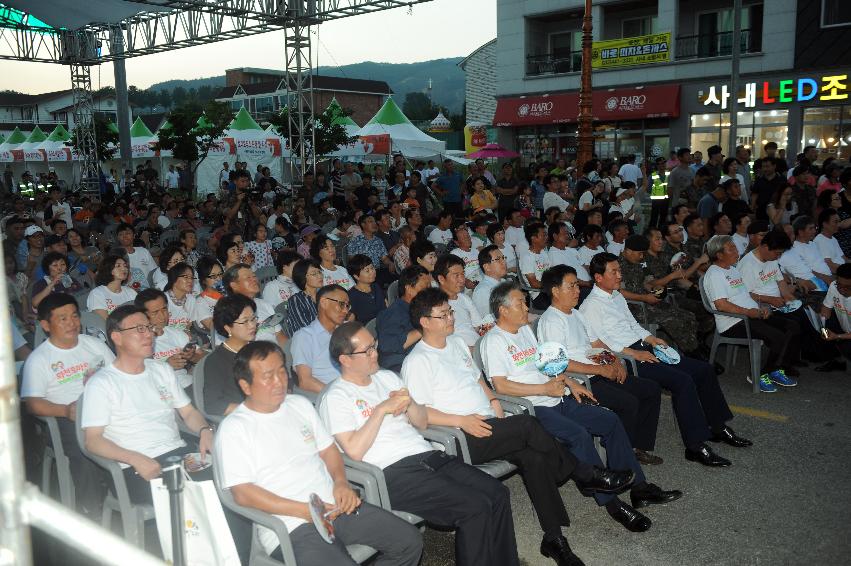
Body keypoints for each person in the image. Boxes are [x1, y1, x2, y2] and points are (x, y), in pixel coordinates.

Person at [404, 288, 632, 566]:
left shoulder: (455, 344)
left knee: (534, 458)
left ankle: (553, 538)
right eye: (444, 315)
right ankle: (584, 472)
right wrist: (460, 420)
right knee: (528, 424)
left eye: (451, 312)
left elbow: (478, 381)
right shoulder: (417, 361)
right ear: (425, 322)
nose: (452, 318)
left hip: (491, 424)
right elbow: (419, 415)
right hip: (461, 437)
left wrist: (492, 401)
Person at [481, 281, 681, 533]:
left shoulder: (524, 331)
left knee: (610, 421)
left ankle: (638, 487)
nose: (526, 306)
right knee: (578, 434)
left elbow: (547, 364)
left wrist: (571, 382)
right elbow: (500, 386)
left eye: (524, 300)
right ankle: (613, 504)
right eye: (520, 302)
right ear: (503, 310)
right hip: (532, 410)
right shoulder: (493, 341)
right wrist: (543, 389)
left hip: (558, 397)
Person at [319, 321, 520, 566]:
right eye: (368, 350)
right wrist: (381, 410)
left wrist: (410, 403)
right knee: (474, 507)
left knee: (498, 493)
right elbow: (354, 451)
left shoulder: (387, 378)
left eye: (374, 345)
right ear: (345, 360)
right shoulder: (336, 397)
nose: (376, 353)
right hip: (391, 473)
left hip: (426, 456)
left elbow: (422, 423)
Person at [215, 340, 422, 565]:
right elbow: (242, 493)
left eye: (282, 371)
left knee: (408, 540)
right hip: (291, 525)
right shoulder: (235, 428)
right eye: (268, 376)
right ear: (246, 386)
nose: (279, 382)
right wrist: (305, 511)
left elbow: (329, 450)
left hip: (336, 506)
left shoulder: (299, 405)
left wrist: (341, 483)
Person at [580, 253, 749, 465]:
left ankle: (717, 426)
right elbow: (600, 344)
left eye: (619, 270)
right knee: (682, 381)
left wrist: (652, 339)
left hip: (642, 347)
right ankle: (695, 446)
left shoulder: (616, 295)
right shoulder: (591, 306)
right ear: (598, 277)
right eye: (613, 272)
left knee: (703, 370)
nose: (619, 275)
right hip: (627, 357)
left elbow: (633, 325)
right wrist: (634, 353)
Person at [81, 305, 216, 505]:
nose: (149, 335)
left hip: (177, 454)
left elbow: (188, 413)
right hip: (135, 466)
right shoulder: (102, 383)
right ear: (117, 337)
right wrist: (134, 458)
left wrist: (205, 430)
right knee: (201, 500)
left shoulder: (160, 370)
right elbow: (92, 440)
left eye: (149, 328)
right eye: (139, 329)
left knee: (231, 479)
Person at [539, 263, 665, 467]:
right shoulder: (552, 321)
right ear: (555, 290)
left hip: (598, 371)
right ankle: (622, 456)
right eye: (571, 286)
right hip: (583, 379)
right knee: (628, 402)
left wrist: (616, 361)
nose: (577, 290)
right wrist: (600, 369)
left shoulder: (576, 314)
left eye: (577, 286)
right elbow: (558, 363)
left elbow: (597, 343)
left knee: (650, 389)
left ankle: (637, 447)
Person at [22, 294, 114, 516]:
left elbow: (116, 374)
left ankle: (125, 491)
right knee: (86, 444)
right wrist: (65, 410)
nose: (72, 322)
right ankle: (91, 508)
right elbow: (33, 404)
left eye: (74, 315)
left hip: (105, 409)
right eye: (62, 318)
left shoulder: (94, 345)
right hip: (66, 418)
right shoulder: (39, 359)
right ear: (45, 325)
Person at [705, 235, 804, 392]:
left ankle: (775, 368)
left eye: (735, 247)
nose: (737, 251)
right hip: (733, 322)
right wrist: (749, 312)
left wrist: (760, 308)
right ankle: (758, 374)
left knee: (793, 327)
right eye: (731, 249)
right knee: (777, 336)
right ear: (719, 255)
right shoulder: (714, 274)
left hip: (751, 315)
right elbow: (721, 305)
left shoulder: (732, 270)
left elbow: (745, 295)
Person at [616, 235, 702, 356]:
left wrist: (655, 290)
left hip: (648, 301)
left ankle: (694, 348)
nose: (642, 257)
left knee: (688, 316)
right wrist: (645, 298)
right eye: (640, 253)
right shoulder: (617, 266)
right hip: (634, 307)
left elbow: (645, 283)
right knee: (674, 320)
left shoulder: (637, 262)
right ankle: (692, 353)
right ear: (628, 251)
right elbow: (620, 292)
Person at [135, 288, 203, 392]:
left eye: (164, 309)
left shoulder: (175, 333)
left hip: (188, 385)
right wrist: (166, 366)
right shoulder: (136, 342)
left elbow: (204, 357)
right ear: (142, 315)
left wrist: (193, 356)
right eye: (155, 313)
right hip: (162, 392)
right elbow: (138, 377)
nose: (162, 316)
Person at [204, 295, 258, 416]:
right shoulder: (216, 361)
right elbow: (212, 404)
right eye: (245, 321)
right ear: (228, 328)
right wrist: (253, 410)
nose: (252, 325)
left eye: (253, 319)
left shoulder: (259, 349)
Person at [291, 285, 350, 393]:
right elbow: (305, 381)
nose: (345, 311)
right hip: (334, 394)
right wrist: (337, 396)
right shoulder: (305, 336)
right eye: (342, 304)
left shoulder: (347, 330)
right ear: (324, 303)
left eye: (347, 306)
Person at [376, 266, 431, 373]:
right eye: (425, 288)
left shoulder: (423, 308)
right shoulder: (392, 314)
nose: (429, 292)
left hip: (424, 359)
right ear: (409, 289)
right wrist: (424, 328)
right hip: (402, 367)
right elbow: (388, 345)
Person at [224, 264, 287, 348]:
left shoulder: (264, 304)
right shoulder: (228, 311)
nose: (254, 279)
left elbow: (279, 336)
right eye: (248, 278)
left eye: (254, 276)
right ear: (234, 285)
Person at [433, 255, 485, 348]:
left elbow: (478, 326)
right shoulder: (435, 306)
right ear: (441, 279)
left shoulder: (464, 298)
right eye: (456, 275)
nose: (462, 280)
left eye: (463, 274)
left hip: (478, 346)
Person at [780, 216, 833, 292]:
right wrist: (826, 279)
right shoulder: (795, 248)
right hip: (818, 282)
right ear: (800, 232)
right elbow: (808, 271)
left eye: (815, 228)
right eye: (810, 229)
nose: (814, 231)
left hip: (828, 278)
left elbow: (821, 263)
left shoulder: (813, 244)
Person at [820, 263, 851, 368]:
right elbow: (826, 308)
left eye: (847, 287)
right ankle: (837, 361)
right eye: (840, 285)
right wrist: (823, 327)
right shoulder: (834, 286)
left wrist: (837, 336)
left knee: (847, 348)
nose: (842, 290)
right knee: (826, 325)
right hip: (845, 328)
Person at [87, 254, 137, 319]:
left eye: (125, 266)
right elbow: (104, 321)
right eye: (118, 266)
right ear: (109, 269)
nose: (124, 268)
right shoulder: (97, 294)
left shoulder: (130, 292)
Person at [285, 259, 323, 337]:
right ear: (303, 277)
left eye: (319, 272)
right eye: (314, 274)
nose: (319, 276)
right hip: (307, 343)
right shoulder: (296, 300)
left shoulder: (325, 296)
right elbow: (305, 329)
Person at [347, 254, 386, 324]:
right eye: (367, 271)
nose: (372, 272)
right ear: (356, 276)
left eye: (372, 268)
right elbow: (351, 322)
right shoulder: (351, 296)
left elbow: (386, 304)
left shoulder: (375, 286)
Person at [115, 223, 155, 289]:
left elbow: (153, 272)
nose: (124, 236)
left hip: (148, 289)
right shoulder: (116, 256)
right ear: (118, 238)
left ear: (134, 235)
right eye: (121, 234)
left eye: (127, 233)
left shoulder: (143, 251)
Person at [519, 221, 550, 304]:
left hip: (548, 290)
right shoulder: (527, 258)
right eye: (544, 235)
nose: (547, 237)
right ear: (533, 238)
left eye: (546, 235)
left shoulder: (543, 253)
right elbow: (534, 284)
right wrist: (553, 284)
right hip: (539, 294)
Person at [192, 256, 225, 333]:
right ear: (203, 280)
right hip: (218, 340)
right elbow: (212, 327)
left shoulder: (229, 294)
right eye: (213, 276)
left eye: (220, 274)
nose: (218, 279)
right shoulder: (200, 302)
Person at [163, 262, 197, 333]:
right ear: (174, 279)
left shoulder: (191, 300)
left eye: (192, 277)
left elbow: (188, 324)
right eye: (186, 277)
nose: (190, 280)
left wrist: (186, 332)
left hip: (182, 338)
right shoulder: (163, 299)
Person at [815, 208, 849, 275]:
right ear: (825, 224)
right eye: (835, 222)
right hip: (838, 276)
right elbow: (830, 266)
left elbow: (845, 259)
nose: (838, 225)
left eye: (839, 221)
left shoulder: (833, 239)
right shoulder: (820, 240)